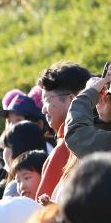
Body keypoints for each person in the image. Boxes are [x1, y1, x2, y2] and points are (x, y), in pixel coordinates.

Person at [34, 61, 91, 199]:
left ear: (71, 100)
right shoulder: (98, 132)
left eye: (46, 100)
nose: (43, 109)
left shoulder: (68, 145)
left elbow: (42, 207)